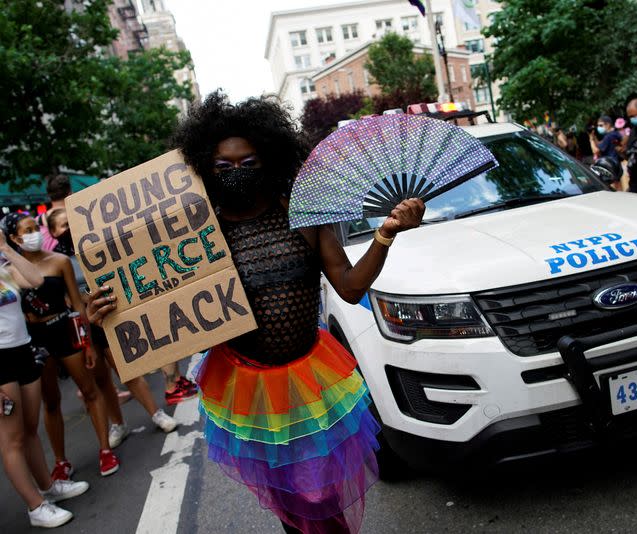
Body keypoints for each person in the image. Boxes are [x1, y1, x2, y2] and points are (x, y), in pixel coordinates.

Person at [87, 92, 426, 534]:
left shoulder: (302, 215)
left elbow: (350, 286)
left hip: (309, 381)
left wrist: (385, 234)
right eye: (223, 166)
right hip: (246, 387)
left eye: (247, 163)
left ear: (269, 159)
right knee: (294, 502)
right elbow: (156, 306)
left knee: (317, 497)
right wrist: (109, 314)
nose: (236, 173)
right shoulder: (196, 237)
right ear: (204, 169)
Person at [2, 212, 120, 479]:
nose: (33, 234)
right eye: (26, 229)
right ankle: (60, 461)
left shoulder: (59, 261)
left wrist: (87, 341)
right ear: (13, 238)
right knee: (50, 400)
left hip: (64, 330)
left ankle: (105, 449)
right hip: (35, 339)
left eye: (35, 227)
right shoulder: (8, 271)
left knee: (89, 390)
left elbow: (78, 303)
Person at [45, 211, 177, 448]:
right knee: (101, 378)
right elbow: (66, 296)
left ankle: (156, 413)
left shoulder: (92, 245)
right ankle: (118, 424)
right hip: (82, 323)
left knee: (126, 369)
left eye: (70, 222)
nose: (68, 228)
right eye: (63, 225)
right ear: (54, 232)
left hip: (106, 315)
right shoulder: (56, 260)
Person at [1, 221, 91, 528]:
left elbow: (35, 278)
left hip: (22, 350)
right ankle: (35, 507)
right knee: (11, 439)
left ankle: (47, 487)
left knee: (29, 428)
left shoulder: (3, 264)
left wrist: (4, 249)